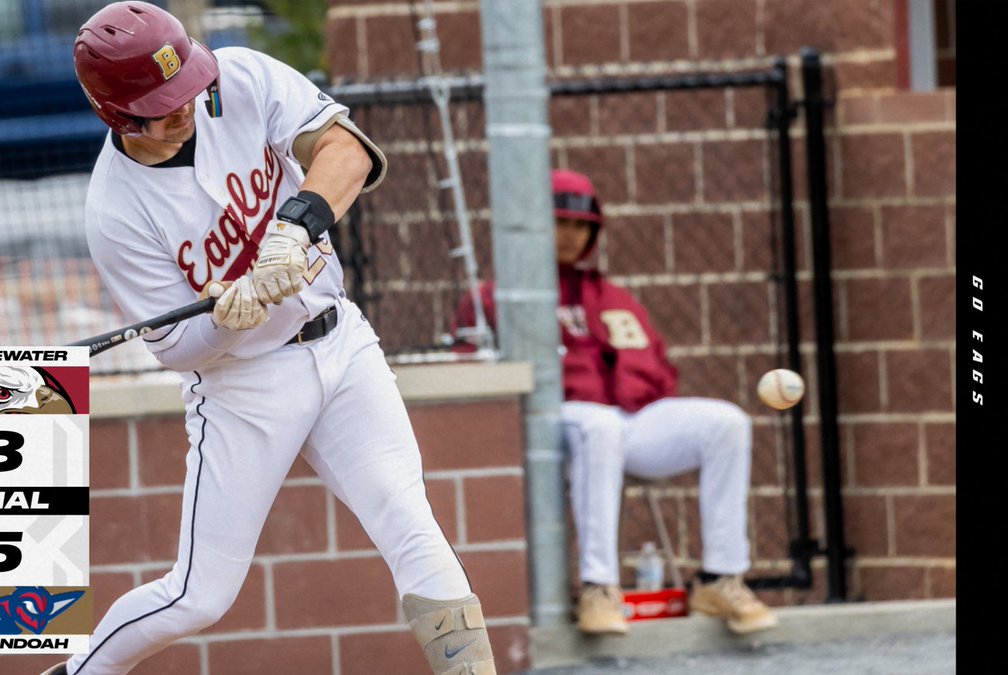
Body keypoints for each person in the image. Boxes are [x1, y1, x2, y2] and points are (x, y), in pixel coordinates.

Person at [42, 4, 497, 674]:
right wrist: (232, 312)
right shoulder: (115, 210)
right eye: (164, 108)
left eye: (188, 92)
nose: (188, 110)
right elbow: (175, 348)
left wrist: (295, 226)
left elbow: (345, 150)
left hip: (342, 345)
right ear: (117, 115)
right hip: (244, 386)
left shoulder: (240, 78)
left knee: (409, 519)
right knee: (199, 596)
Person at [456, 169, 777, 636]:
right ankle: (599, 587)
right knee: (599, 427)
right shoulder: (496, 295)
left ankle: (719, 579)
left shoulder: (611, 296)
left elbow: (659, 370)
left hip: (629, 418)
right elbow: (473, 366)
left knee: (726, 422)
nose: (571, 235)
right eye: (560, 222)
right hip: (555, 422)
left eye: (581, 226)